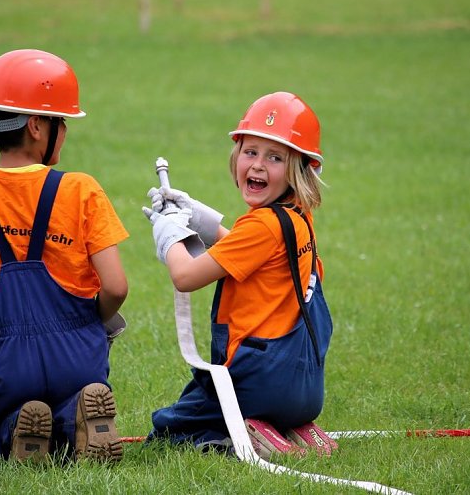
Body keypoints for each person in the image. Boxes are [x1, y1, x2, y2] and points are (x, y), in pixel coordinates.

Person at [0, 49, 129, 466]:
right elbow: (116, 287)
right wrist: (87, 327)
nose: (65, 131)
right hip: (78, 359)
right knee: (67, 397)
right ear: (37, 126)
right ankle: (73, 417)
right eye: (62, 121)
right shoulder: (81, 190)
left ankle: (8, 432)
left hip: (2, 361)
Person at [142, 91, 336, 458]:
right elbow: (251, 255)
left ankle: (252, 434)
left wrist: (169, 232)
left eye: (275, 157)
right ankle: (291, 427)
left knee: (170, 431)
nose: (258, 166)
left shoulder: (261, 225)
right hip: (303, 385)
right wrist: (199, 218)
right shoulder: (297, 218)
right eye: (251, 152)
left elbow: (185, 276)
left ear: (299, 169)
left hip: (255, 384)